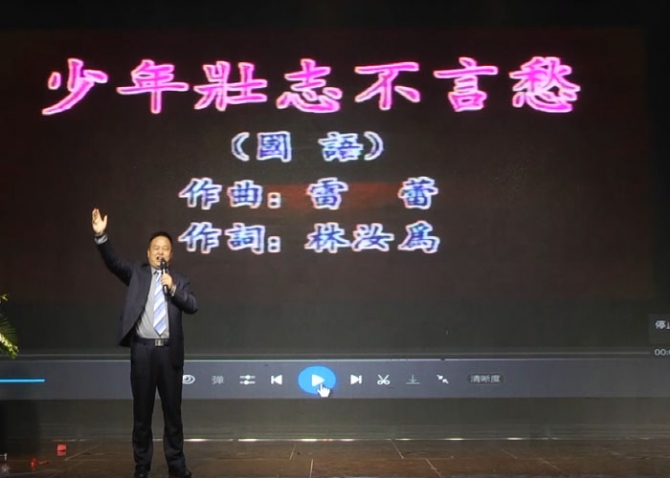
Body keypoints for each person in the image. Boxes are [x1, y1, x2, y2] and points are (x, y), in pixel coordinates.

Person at [91, 208, 197, 478]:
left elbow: (192, 305)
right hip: (143, 351)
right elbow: (113, 262)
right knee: (142, 414)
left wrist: (173, 288)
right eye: (156, 248)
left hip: (169, 353)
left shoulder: (179, 280)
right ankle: (142, 466)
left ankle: (176, 465)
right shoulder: (136, 273)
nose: (160, 252)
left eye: (165, 248)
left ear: (171, 255)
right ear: (148, 252)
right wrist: (101, 236)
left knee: (173, 414)